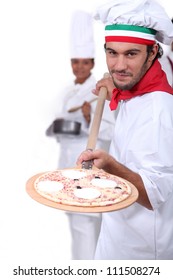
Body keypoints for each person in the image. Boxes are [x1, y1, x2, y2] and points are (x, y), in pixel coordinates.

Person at [77, 0, 173, 260]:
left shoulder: (158, 111)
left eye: (131, 54)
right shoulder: (137, 89)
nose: (118, 66)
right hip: (117, 235)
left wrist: (110, 166)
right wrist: (117, 88)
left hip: (141, 252)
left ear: (152, 53)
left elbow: (153, 196)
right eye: (112, 53)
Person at [46, 10, 115, 260]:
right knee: (78, 232)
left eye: (85, 62)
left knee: (87, 231)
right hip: (67, 171)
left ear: (93, 64)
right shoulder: (68, 93)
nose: (79, 67)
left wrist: (87, 117)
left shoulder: (101, 91)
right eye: (75, 61)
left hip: (87, 174)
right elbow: (59, 126)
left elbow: (110, 131)